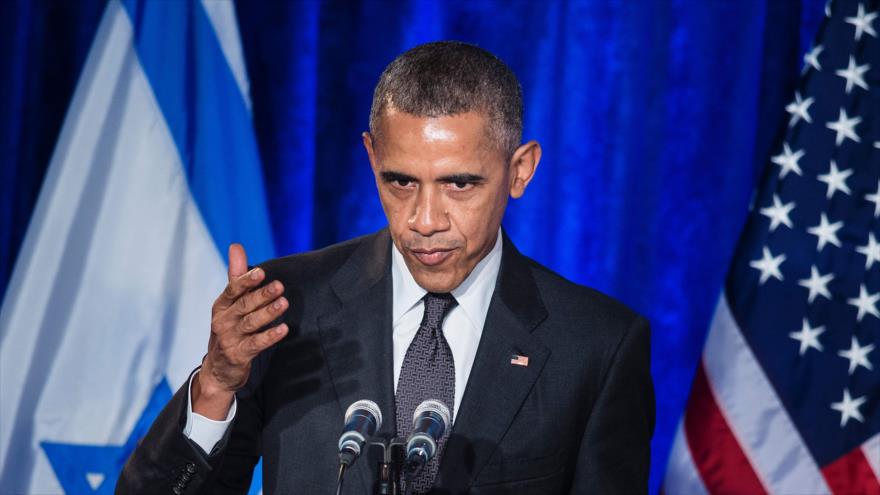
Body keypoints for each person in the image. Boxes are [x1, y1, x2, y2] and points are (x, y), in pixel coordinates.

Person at [117, 40, 654, 494]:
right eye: (400, 181)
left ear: (520, 170)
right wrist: (215, 384)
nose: (424, 220)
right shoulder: (285, 308)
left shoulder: (596, 346)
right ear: (372, 157)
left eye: (459, 184)